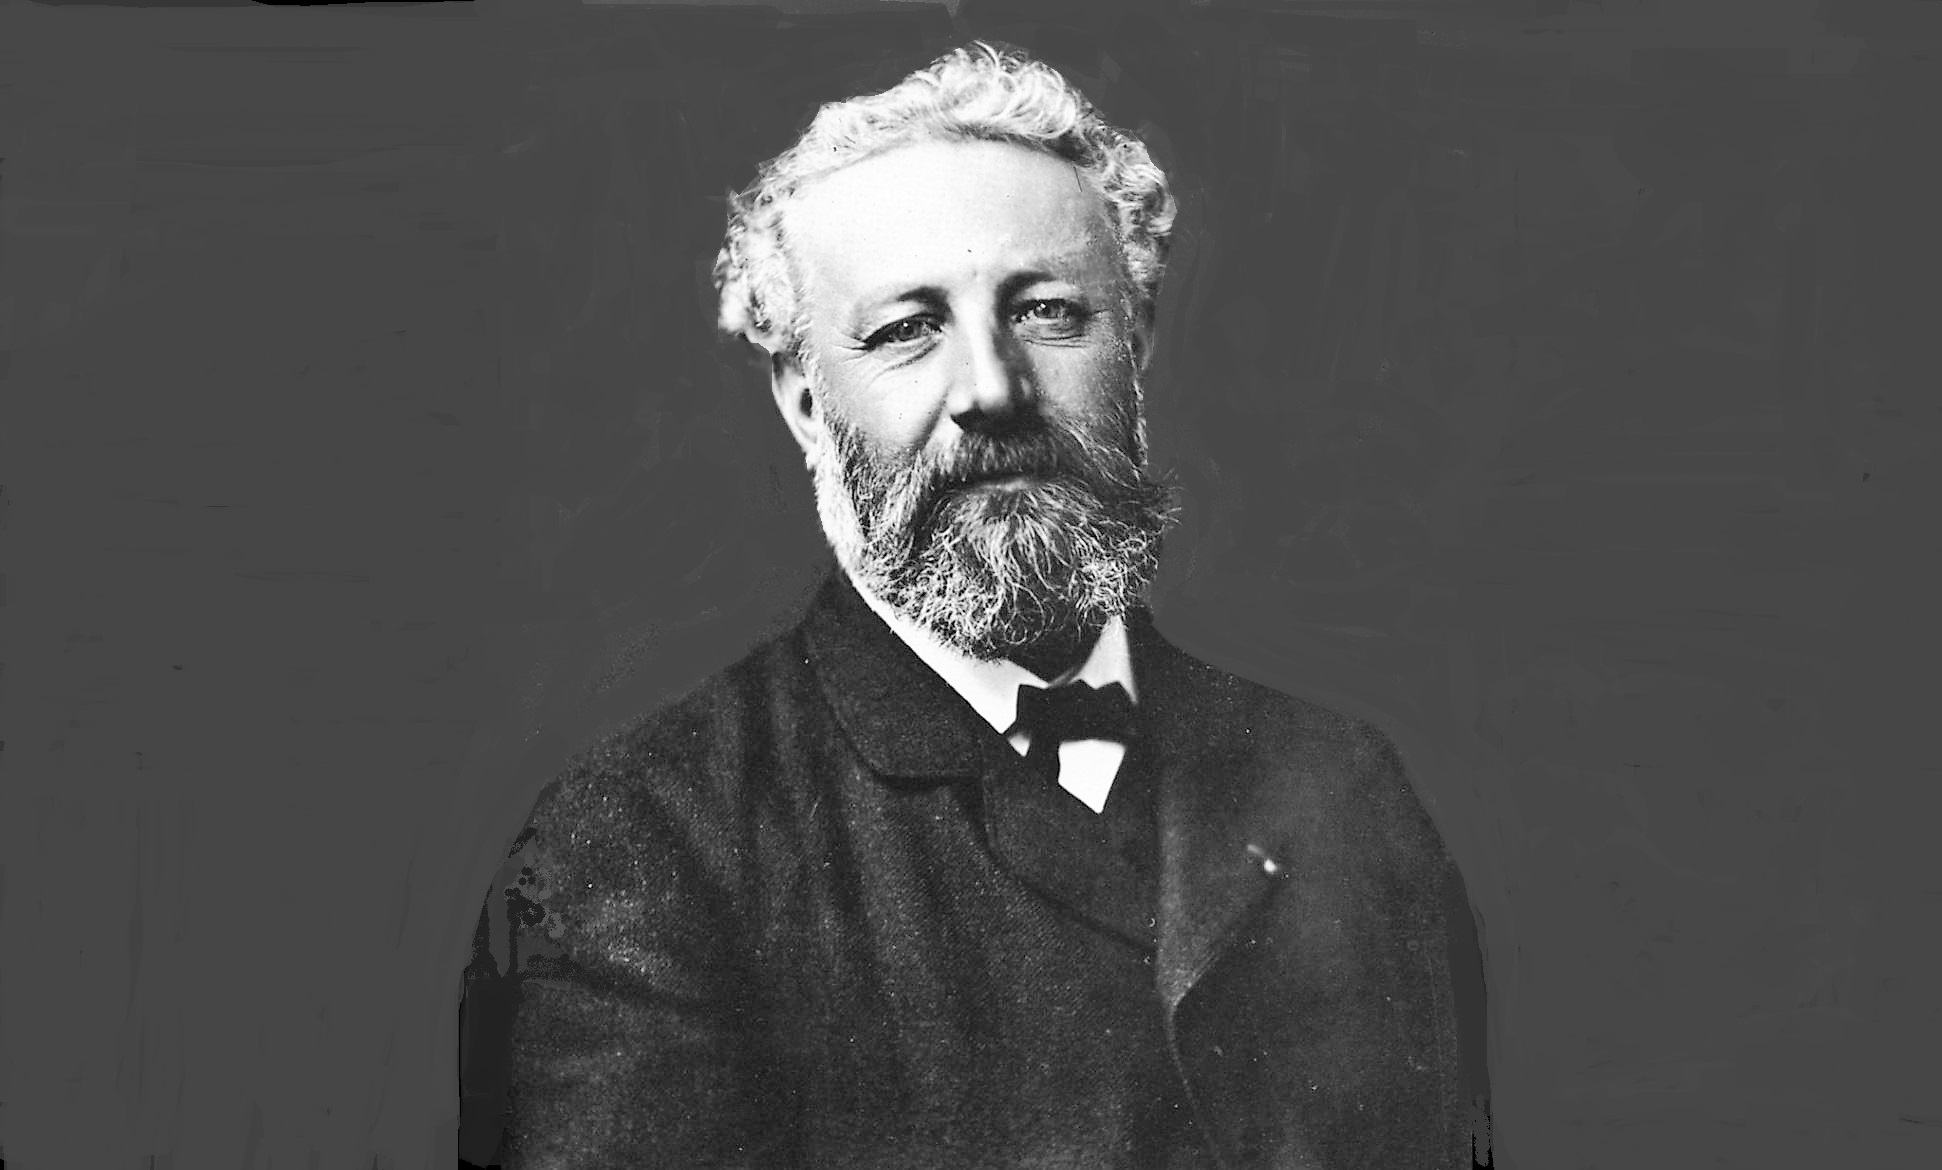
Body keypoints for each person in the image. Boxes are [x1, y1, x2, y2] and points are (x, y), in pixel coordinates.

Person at [486, 41, 1487, 1170]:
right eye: (906, 330)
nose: (993, 390)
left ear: (1136, 346)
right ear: (806, 402)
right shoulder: (646, 841)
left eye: (1047, 311)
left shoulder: (1343, 782)